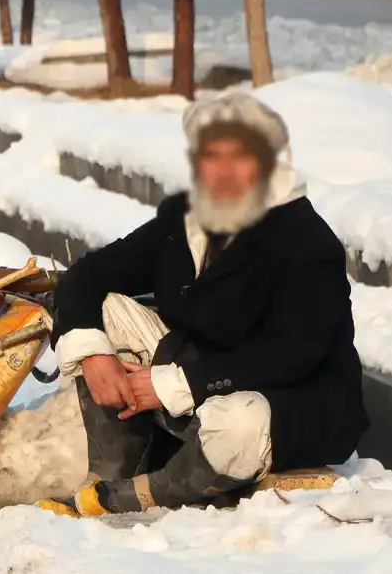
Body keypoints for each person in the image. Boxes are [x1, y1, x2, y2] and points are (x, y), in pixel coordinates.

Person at [38, 92, 369, 517]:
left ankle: (132, 496)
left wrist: (172, 384)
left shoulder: (307, 242)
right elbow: (87, 274)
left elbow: (289, 356)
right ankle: (112, 473)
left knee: (237, 424)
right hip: (193, 381)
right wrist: (95, 356)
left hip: (289, 405)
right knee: (103, 312)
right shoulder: (186, 223)